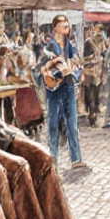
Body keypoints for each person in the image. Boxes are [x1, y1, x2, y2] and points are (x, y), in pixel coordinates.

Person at [40, 14, 86, 169]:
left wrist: (76, 68)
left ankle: (76, 158)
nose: (67, 26)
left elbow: (74, 60)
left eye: (67, 23)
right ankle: (53, 159)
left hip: (68, 86)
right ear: (55, 28)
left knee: (72, 124)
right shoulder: (50, 46)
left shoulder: (69, 45)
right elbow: (42, 67)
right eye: (63, 24)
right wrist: (53, 65)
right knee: (53, 125)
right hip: (55, 89)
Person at [80, 24, 107, 126]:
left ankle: (93, 113)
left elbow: (102, 54)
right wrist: (91, 58)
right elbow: (84, 58)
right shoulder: (88, 42)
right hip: (89, 72)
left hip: (96, 73)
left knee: (94, 94)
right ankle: (91, 113)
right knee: (89, 94)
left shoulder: (96, 40)